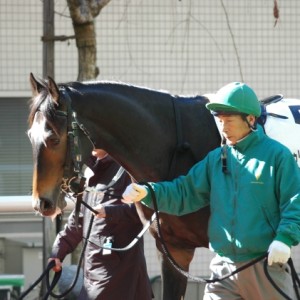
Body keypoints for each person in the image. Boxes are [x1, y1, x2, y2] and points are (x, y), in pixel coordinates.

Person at [122, 82, 300, 299]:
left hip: (265, 266)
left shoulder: (277, 156)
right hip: (223, 270)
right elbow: (185, 192)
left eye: (230, 121)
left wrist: (284, 239)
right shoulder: (216, 159)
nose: (223, 128)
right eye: (220, 121)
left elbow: (294, 201)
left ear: (251, 119)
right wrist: (149, 193)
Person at [49, 149, 153, 300]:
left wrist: (110, 212)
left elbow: (145, 210)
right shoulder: (90, 171)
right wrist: (57, 252)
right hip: (93, 274)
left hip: (122, 274)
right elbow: (79, 219)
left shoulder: (129, 168)